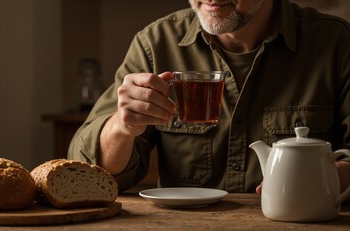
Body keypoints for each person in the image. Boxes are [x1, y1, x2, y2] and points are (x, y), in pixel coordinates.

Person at [68, 0, 350, 198]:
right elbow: (89, 173)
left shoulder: (336, 42)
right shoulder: (154, 43)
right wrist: (121, 127)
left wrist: (324, 180)